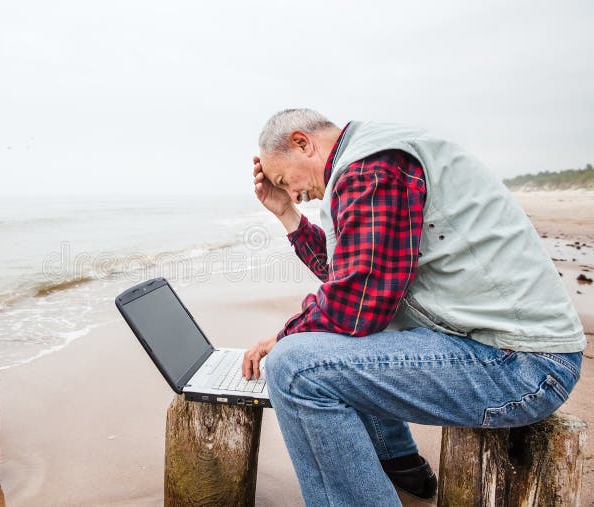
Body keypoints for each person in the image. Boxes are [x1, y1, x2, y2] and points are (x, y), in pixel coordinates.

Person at [241, 109, 585, 506]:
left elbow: (357, 301)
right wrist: (286, 213)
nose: (294, 192)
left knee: (295, 368)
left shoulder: (371, 168)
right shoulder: (368, 162)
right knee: (327, 343)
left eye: (286, 181)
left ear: (303, 143)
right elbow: (346, 275)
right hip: (507, 352)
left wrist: (281, 339)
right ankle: (401, 465)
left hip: (522, 366)